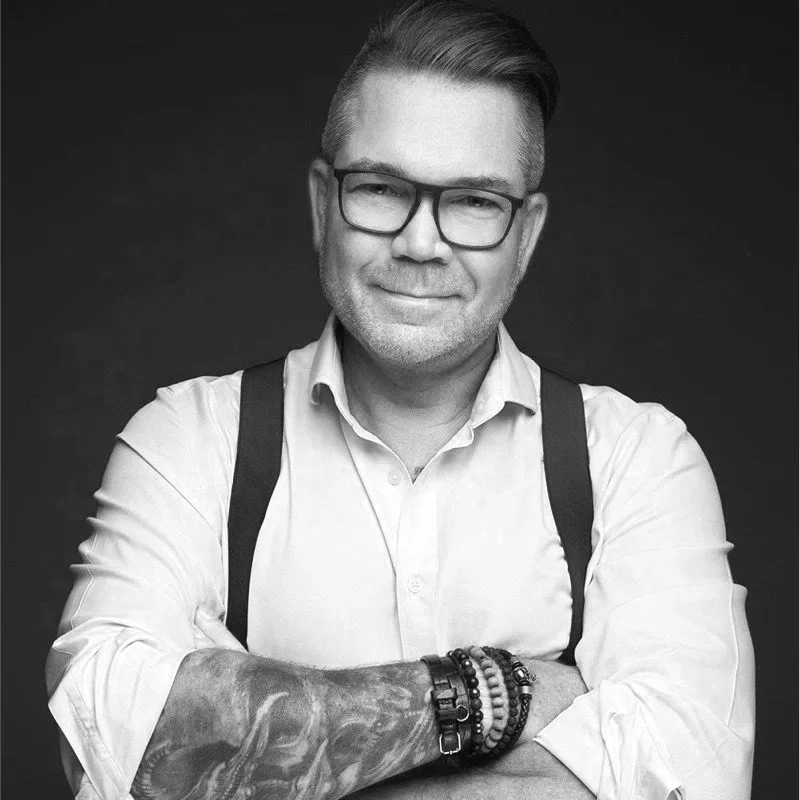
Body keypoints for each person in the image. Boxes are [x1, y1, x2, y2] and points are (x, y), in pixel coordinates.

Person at [45, 1, 755, 799]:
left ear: (526, 234)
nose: (421, 243)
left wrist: (264, 748)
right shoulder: (188, 441)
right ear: (323, 204)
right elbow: (110, 746)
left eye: (474, 202)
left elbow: (694, 778)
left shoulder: (639, 462)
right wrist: (501, 696)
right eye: (382, 188)